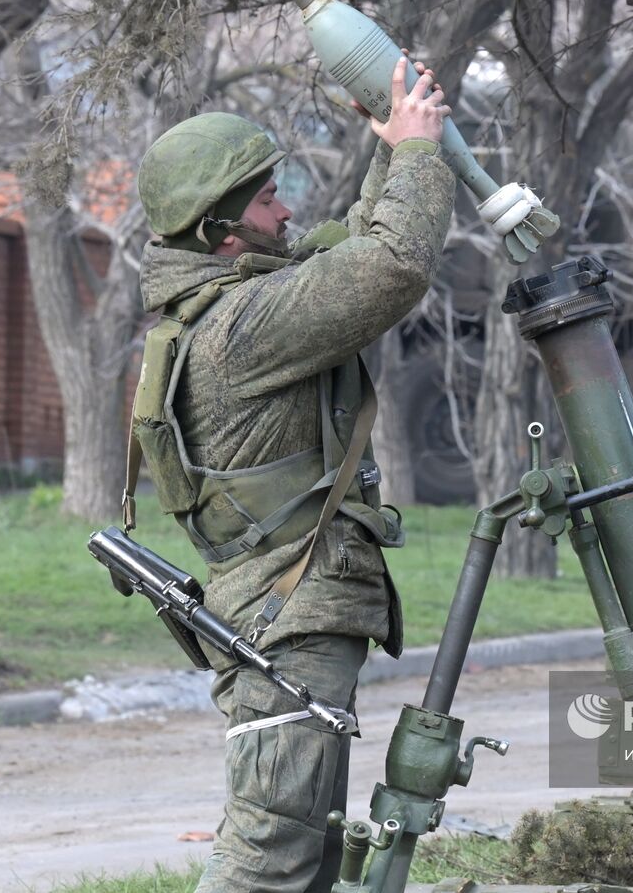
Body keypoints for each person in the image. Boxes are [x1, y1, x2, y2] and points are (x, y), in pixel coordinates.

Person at [131, 58, 455, 892]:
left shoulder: (237, 303)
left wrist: (392, 149)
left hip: (286, 619)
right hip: (289, 622)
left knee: (304, 864)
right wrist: (419, 156)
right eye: (267, 199)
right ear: (220, 232)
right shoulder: (243, 324)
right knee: (266, 862)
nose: (285, 209)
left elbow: (345, 251)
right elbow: (388, 268)